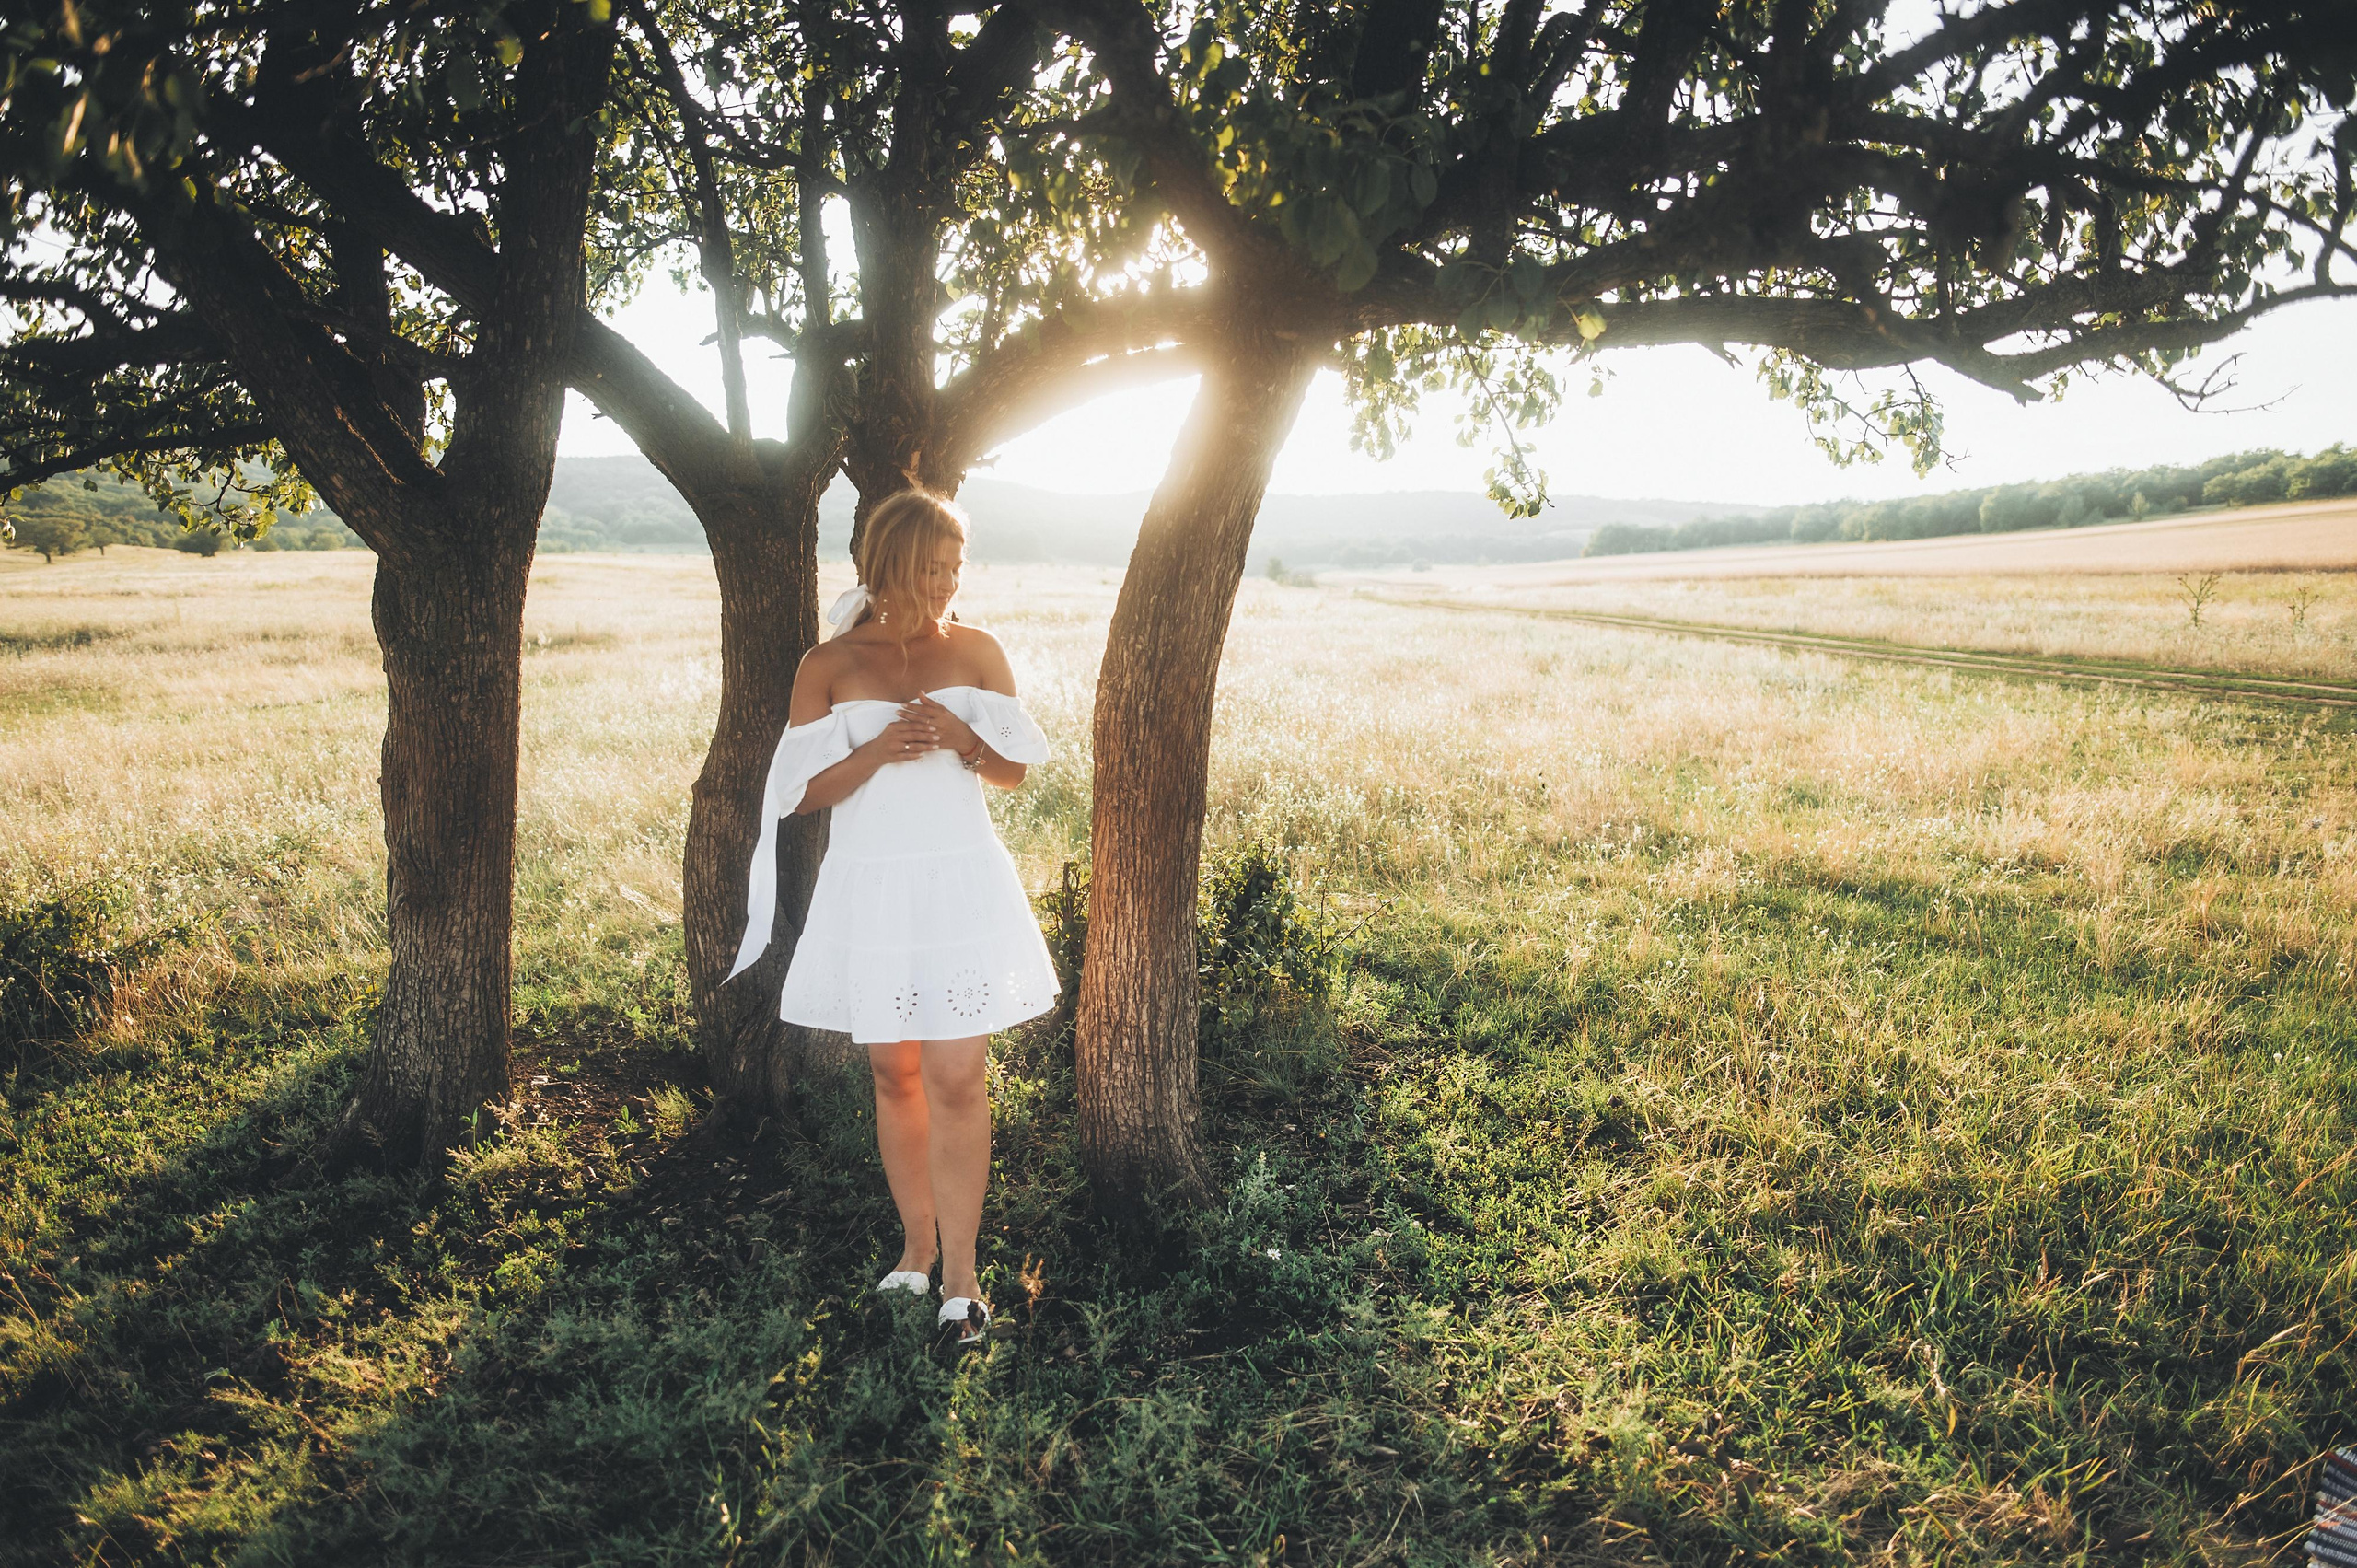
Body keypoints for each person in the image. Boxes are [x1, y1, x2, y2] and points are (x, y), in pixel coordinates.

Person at [727, 488, 1057, 1347]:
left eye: (957, 567)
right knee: (894, 1075)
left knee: (956, 1075)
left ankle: (963, 1280)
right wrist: (874, 750)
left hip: (958, 886)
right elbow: (799, 794)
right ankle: (915, 1245)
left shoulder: (979, 651)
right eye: (934, 567)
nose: (949, 583)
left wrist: (964, 742)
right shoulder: (828, 663)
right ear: (888, 568)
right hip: (870, 886)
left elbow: (1014, 773)